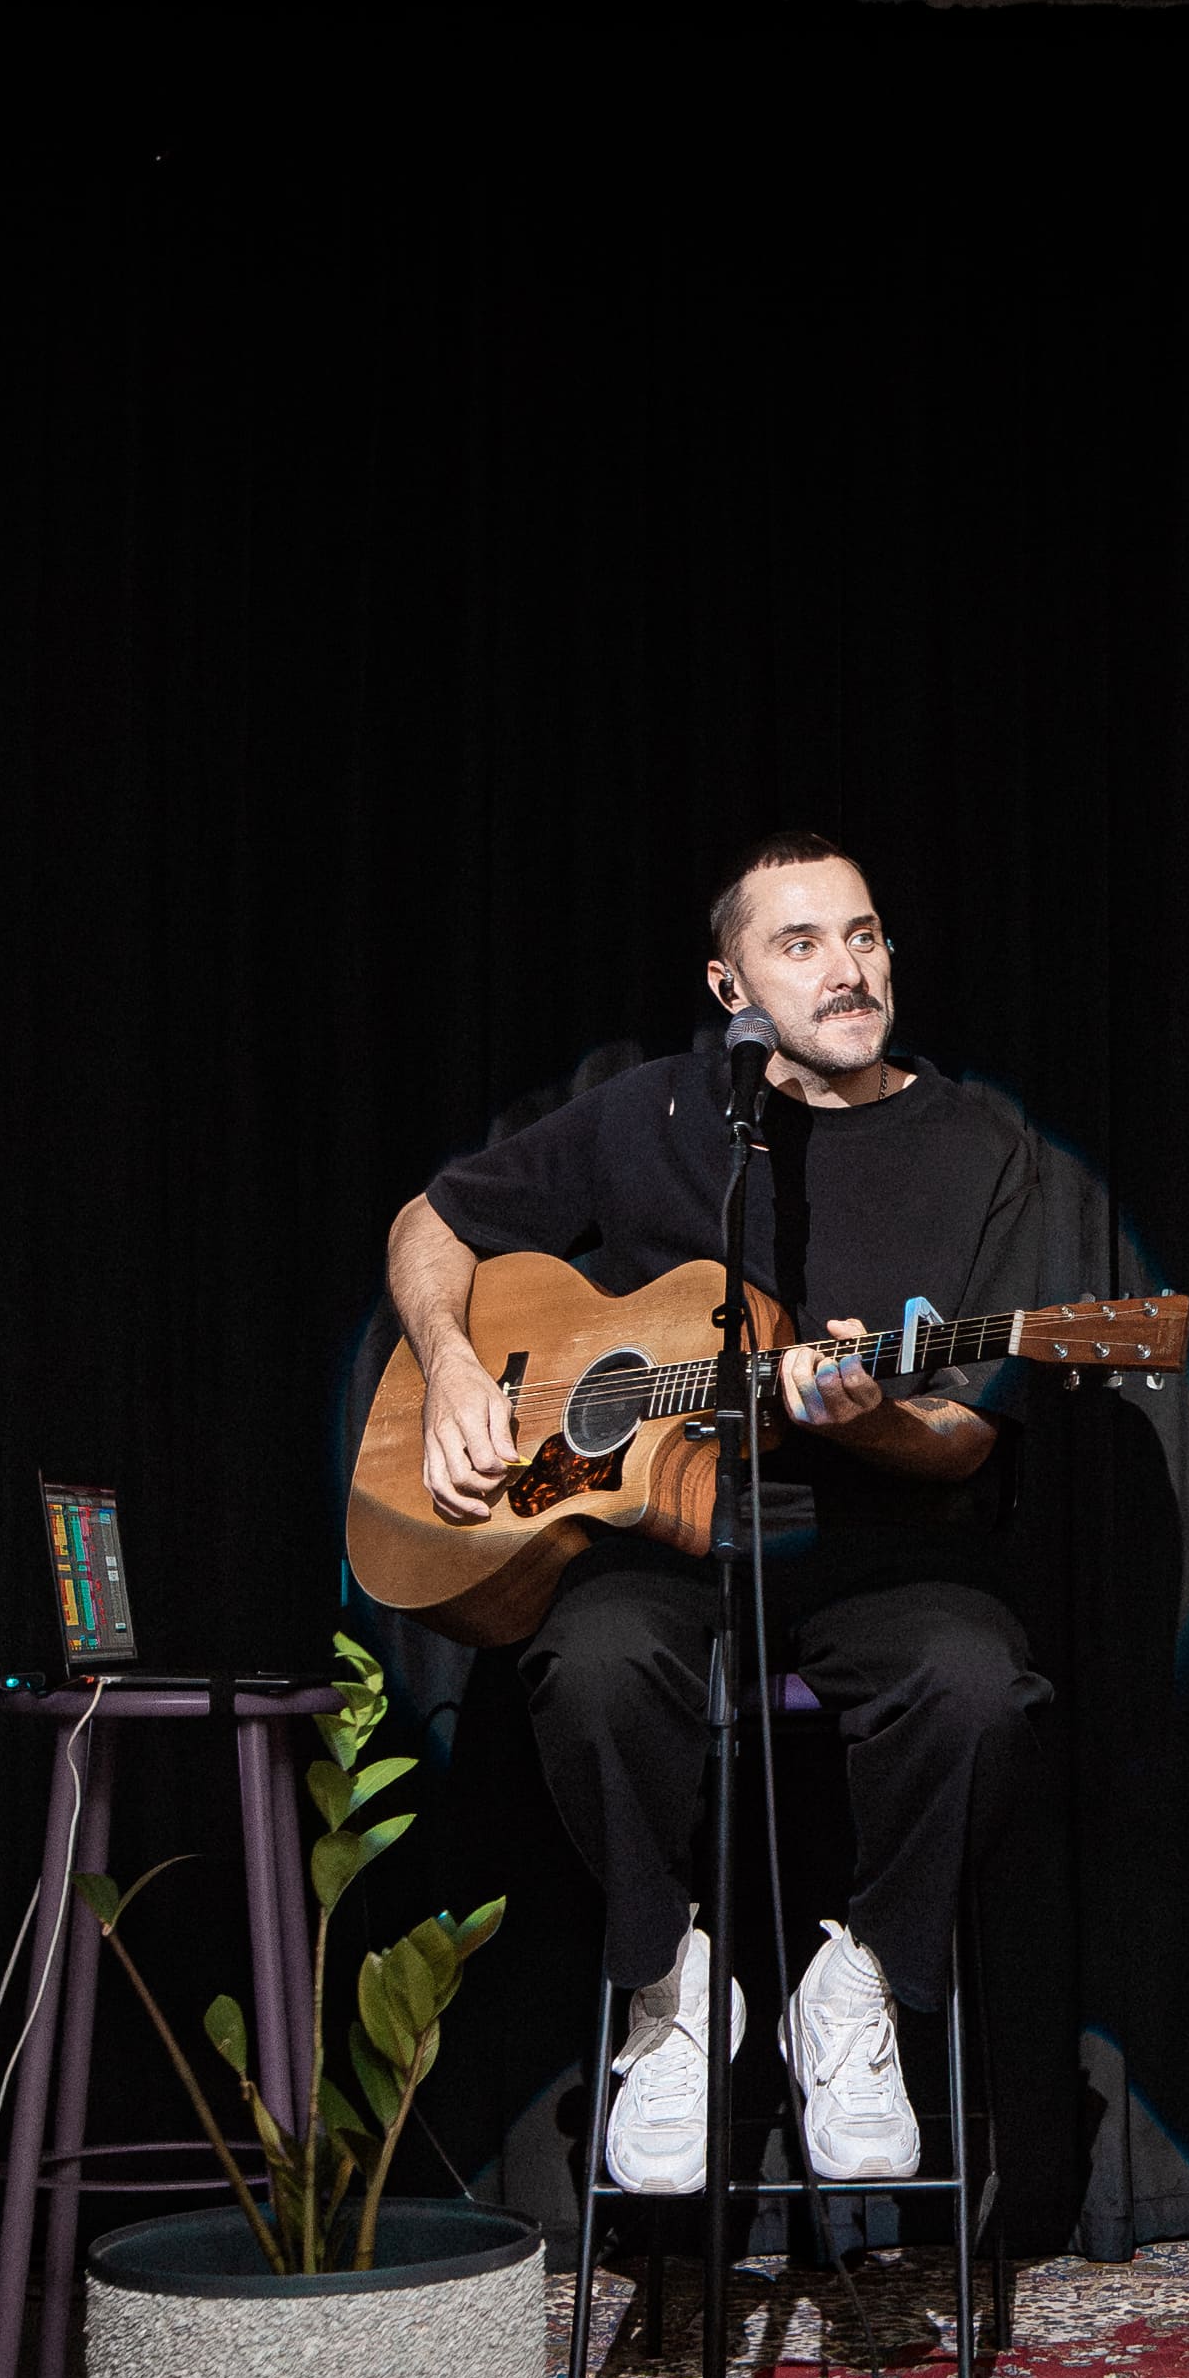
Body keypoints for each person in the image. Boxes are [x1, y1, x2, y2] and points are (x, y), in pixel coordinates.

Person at [380, 841, 1047, 2196]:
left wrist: (867, 1420)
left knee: (979, 1687)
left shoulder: (979, 1147)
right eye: (801, 944)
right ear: (728, 984)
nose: (849, 969)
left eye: (865, 935)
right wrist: (452, 1366)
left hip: (877, 1551)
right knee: (590, 1665)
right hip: (659, 1548)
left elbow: (973, 1428)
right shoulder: (654, 1112)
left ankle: (861, 1982)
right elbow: (430, 1223)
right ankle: (670, 1988)